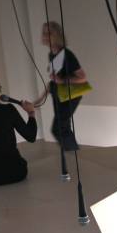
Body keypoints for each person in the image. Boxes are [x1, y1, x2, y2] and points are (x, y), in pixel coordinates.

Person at [33, 21, 87, 151]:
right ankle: (72, 154)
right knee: (63, 127)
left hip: (71, 94)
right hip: (59, 93)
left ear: (57, 35)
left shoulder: (67, 54)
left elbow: (82, 78)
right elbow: (54, 80)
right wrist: (41, 98)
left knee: (58, 128)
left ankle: (72, 153)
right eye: (43, 33)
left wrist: (62, 81)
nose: (45, 36)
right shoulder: (51, 54)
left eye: (49, 33)